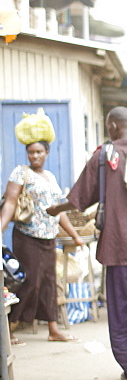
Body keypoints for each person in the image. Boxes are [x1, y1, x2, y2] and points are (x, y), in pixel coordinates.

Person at [47, 106, 127, 380]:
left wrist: (56, 209)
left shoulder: (102, 158)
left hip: (116, 247)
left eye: (108, 125)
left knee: (118, 311)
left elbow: (79, 199)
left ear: (115, 125)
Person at [1, 140, 84, 345]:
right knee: (28, 282)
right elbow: (10, 201)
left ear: (47, 152)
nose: (35, 156)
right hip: (27, 237)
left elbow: (57, 211)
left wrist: (74, 235)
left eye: (39, 152)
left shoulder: (50, 177)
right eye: (31, 152)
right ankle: (9, 328)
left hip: (49, 237)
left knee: (49, 283)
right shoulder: (21, 172)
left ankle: (53, 329)